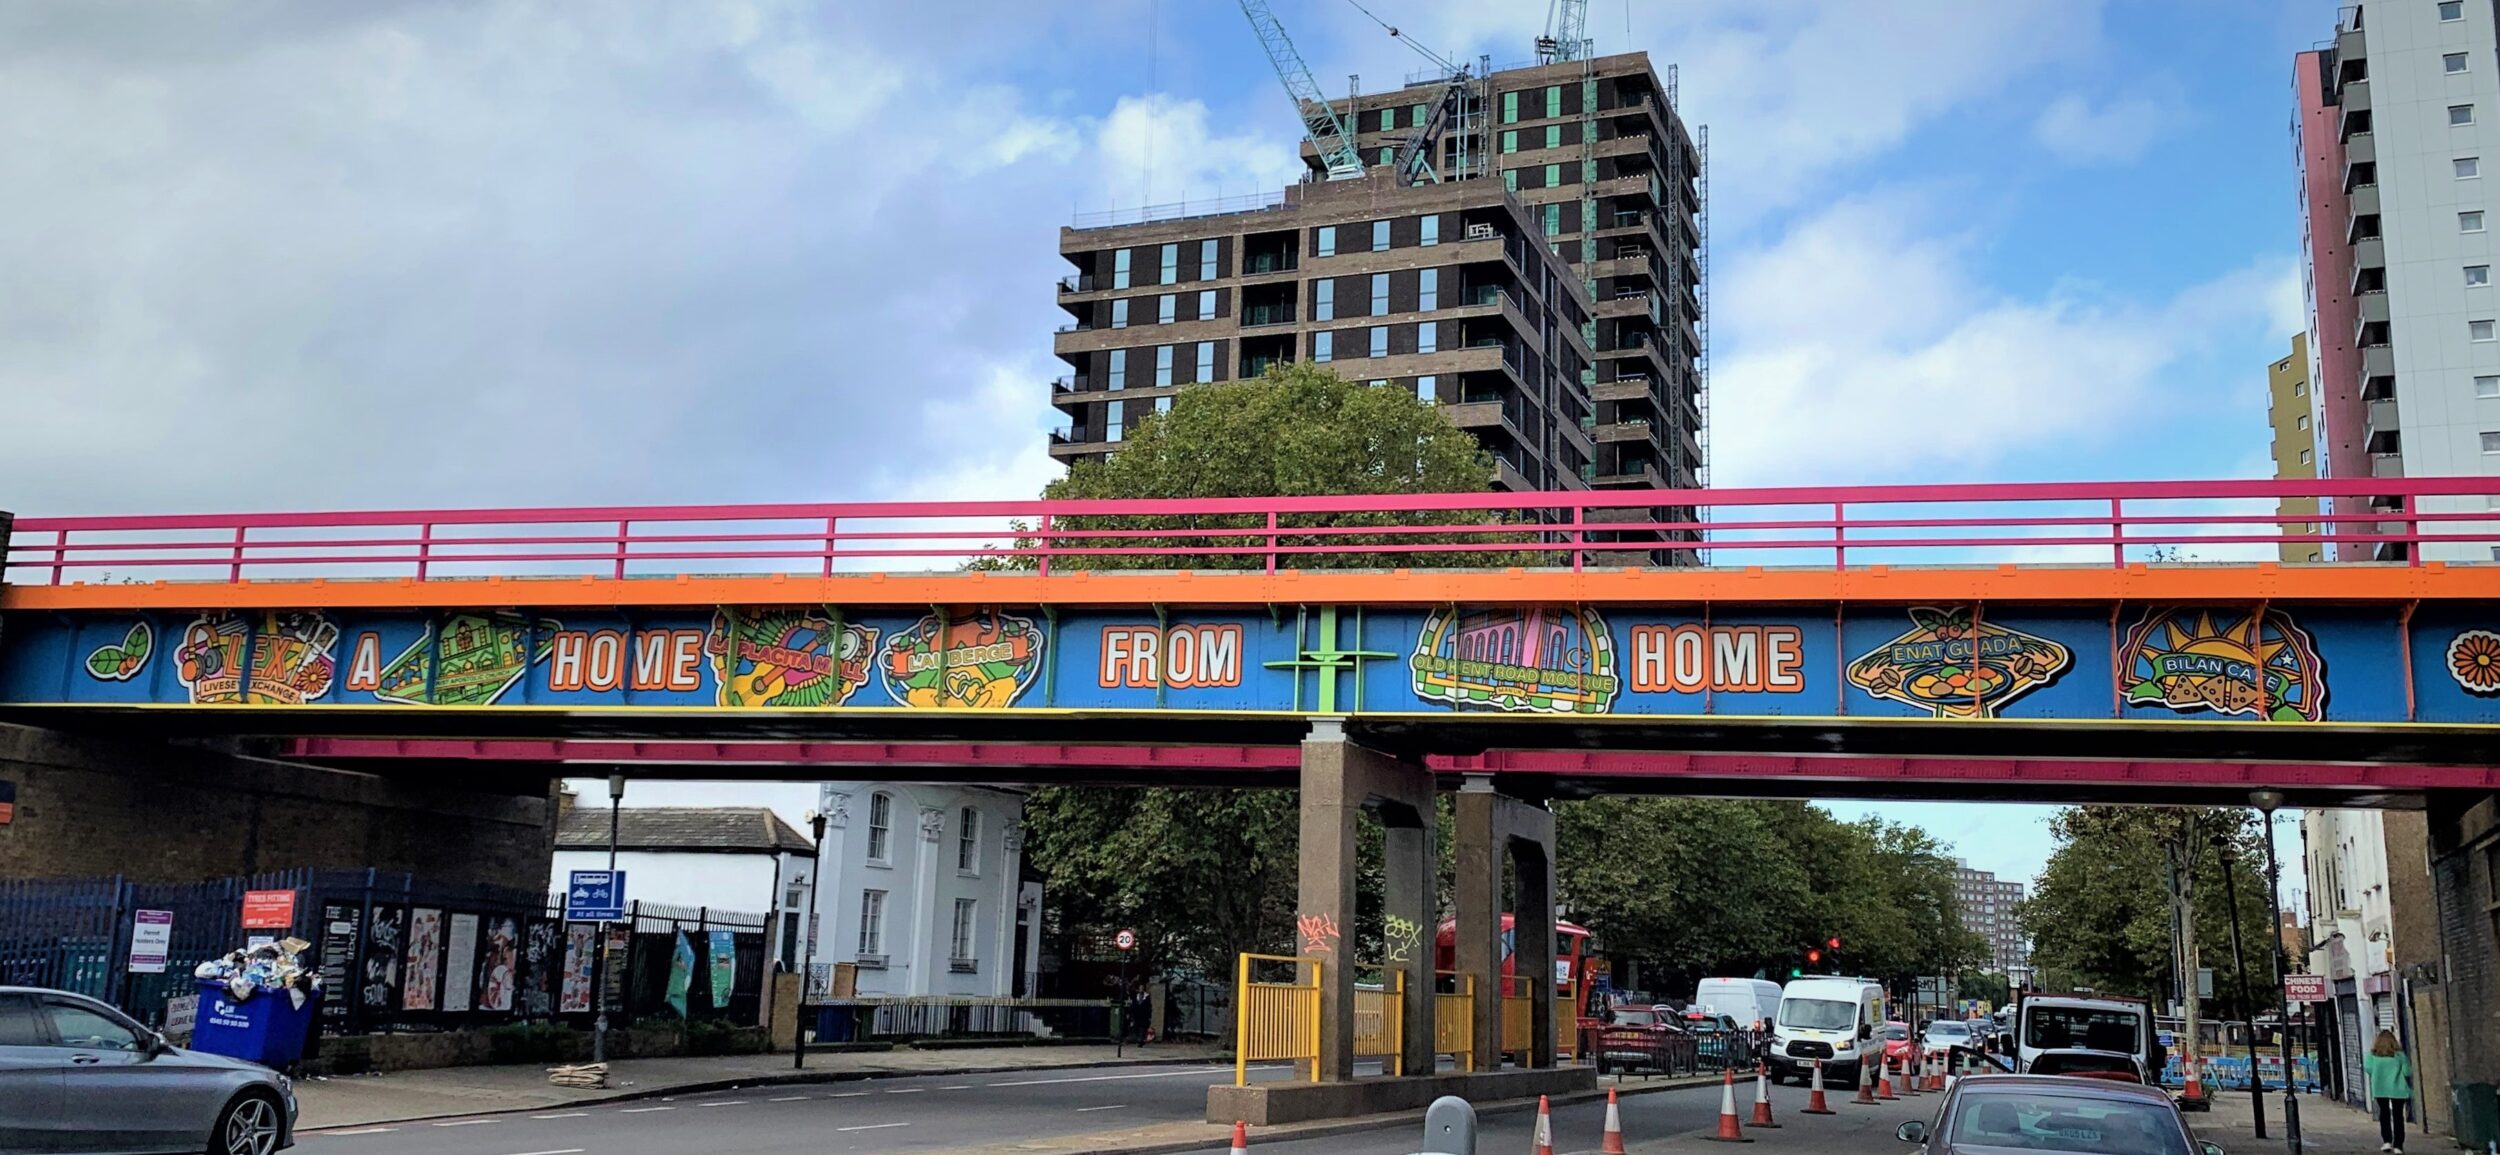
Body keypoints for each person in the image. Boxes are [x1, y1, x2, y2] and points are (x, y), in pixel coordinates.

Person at [2364, 1028, 2413, 1153]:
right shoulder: (2400, 1055)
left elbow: (2368, 1068)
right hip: (2398, 1089)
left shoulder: (2372, 1056)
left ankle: (2387, 1141)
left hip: (2380, 1088)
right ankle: (2398, 1146)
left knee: (2384, 1114)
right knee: (2398, 1116)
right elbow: (2407, 1072)